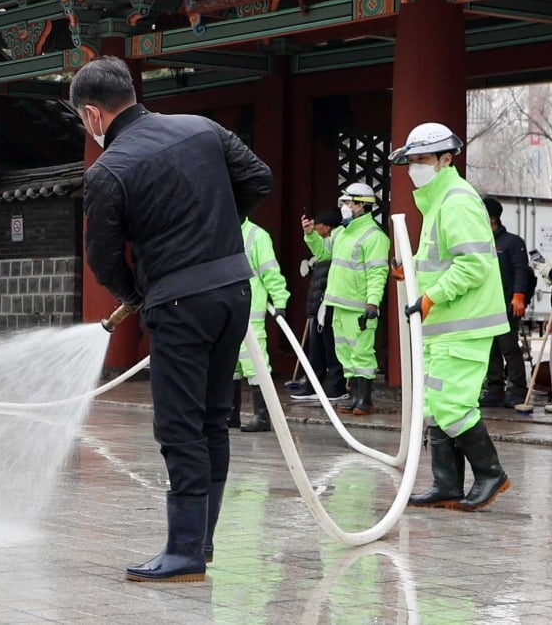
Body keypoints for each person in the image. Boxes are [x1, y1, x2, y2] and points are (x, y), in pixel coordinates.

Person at [70, 55, 271, 583]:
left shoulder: (108, 171)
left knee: (179, 424)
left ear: (92, 115)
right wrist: (216, 227)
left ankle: (183, 551)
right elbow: (259, 179)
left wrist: (136, 292)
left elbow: (104, 259)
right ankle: (200, 542)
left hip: (181, 303)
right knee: (213, 418)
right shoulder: (203, 129)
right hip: (234, 291)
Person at [392, 122, 511, 511]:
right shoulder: (439, 201)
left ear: (447, 159)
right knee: (435, 406)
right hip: (445, 324)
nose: (415, 167)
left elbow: (473, 265)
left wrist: (429, 297)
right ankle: (447, 484)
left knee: (454, 406)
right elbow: (440, 261)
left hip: (463, 323)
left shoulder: (456, 200)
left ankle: (491, 474)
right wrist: (410, 273)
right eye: (412, 161)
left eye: (423, 159)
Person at [302, 183, 390, 415]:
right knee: (344, 353)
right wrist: (310, 234)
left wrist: (373, 302)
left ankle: (365, 400)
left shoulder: (374, 236)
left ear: (362, 205)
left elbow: (377, 272)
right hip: (337, 303)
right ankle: (354, 397)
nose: (344, 207)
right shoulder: (342, 232)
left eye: (349, 203)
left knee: (361, 352)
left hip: (358, 306)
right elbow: (322, 254)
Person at [230, 218, 289, 433]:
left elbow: (271, 273)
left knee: (255, 366)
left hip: (250, 311)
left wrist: (280, 301)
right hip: (226, 311)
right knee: (229, 366)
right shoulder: (219, 229)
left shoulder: (257, 235)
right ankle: (230, 414)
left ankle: (262, 416)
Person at [479, 197, 529, 407]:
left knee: (509, 347)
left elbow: (521, 269)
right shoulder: (479, 242)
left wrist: (519, 295)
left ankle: (517, 389)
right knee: (489, 349)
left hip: (506, 304)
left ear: (491, 218)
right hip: (484, 305)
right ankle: (495, 389)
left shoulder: (511, 242)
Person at [291, 210, 346, 402]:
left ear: (328, 226)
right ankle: (315, 385)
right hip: (319, 304)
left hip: (332, 302)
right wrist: (309, 235)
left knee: (332, 348)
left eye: (317, 225)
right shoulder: (328, 243)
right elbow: (321, 253)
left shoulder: (340, 239)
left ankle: (335, 387)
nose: (315, 228)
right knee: (316, 348)